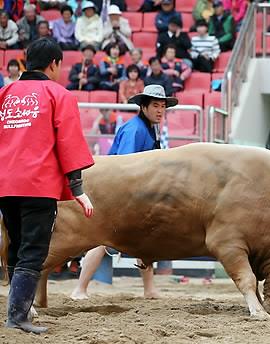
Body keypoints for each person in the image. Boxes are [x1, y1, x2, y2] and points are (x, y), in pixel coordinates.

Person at [0, 37, 94, 334]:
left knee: (16, 246)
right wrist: (78, 190)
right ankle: (17, 317)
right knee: (33, 250)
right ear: (54, 64)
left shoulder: (5, 93)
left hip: (6, 184)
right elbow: (69, 143)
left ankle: (18, 311)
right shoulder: (59, 95)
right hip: (38, 185)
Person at [70, 84, 177, 301]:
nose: (160, 110)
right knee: (101, 239)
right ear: (143, 107)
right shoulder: (134, 129)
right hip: (116, 192)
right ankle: (79, 288)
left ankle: (149, 289)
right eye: (155, 105)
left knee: (143, 239)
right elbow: (125, 167)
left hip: (130, 193)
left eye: (163, 106)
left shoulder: (148, 128)